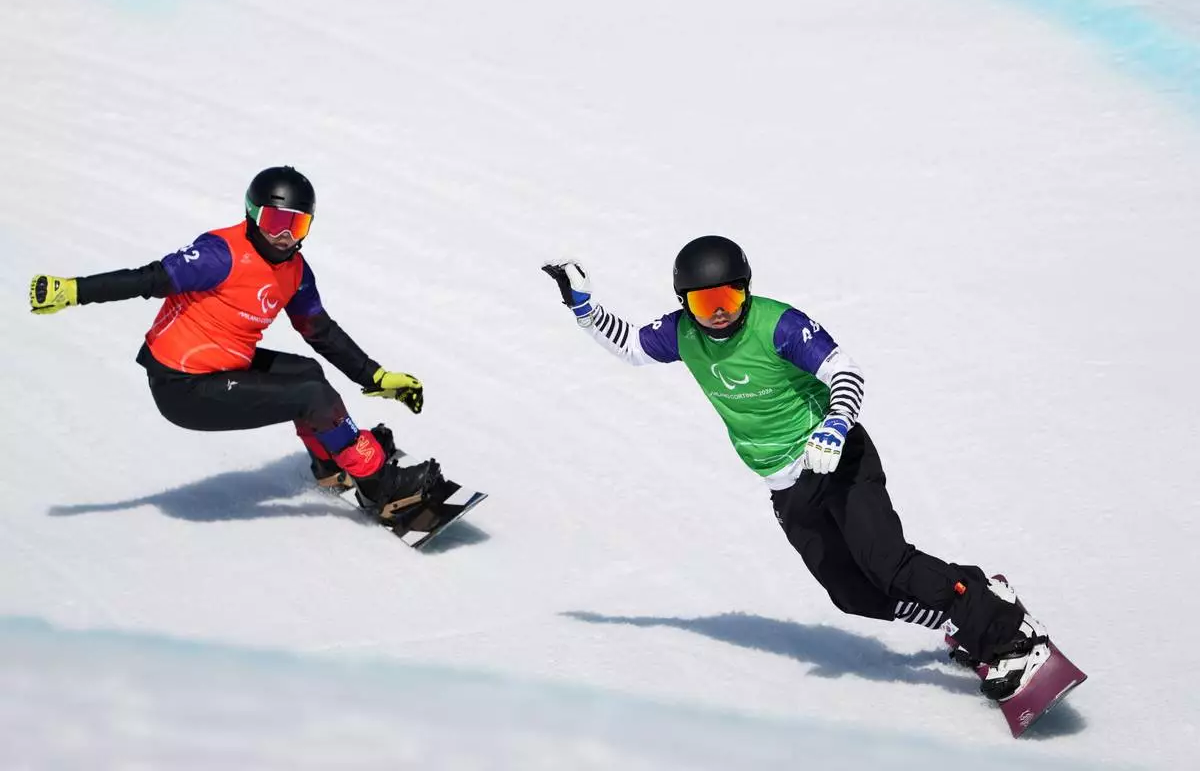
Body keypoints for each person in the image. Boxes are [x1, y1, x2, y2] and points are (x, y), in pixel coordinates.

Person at [542, 235, 1051, 701]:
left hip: (837, 459)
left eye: (729, 299)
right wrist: (584, 309)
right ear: (684, 303)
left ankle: (1009, 634)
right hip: (785, 485)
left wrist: (834, 426)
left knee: (888, 562)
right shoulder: (682, 335)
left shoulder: (779, 323)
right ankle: (973, 600)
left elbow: (845, 371)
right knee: (852, 594)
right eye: (704, 303)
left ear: (746, 292)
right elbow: (631, 346)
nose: (719, 314)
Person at [29, 166, 441, 520]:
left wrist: (376, 375)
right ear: (251, 213)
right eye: (274, 221)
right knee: (311, 395)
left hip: (223, 368)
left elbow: (320, 331)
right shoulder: (220, 253)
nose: (283, 236)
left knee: (308, 374)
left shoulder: (295, 271)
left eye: (295, 225)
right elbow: (149, 279)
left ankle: (333, 463)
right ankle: (383, 487)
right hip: (184, 387)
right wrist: (74, 290)